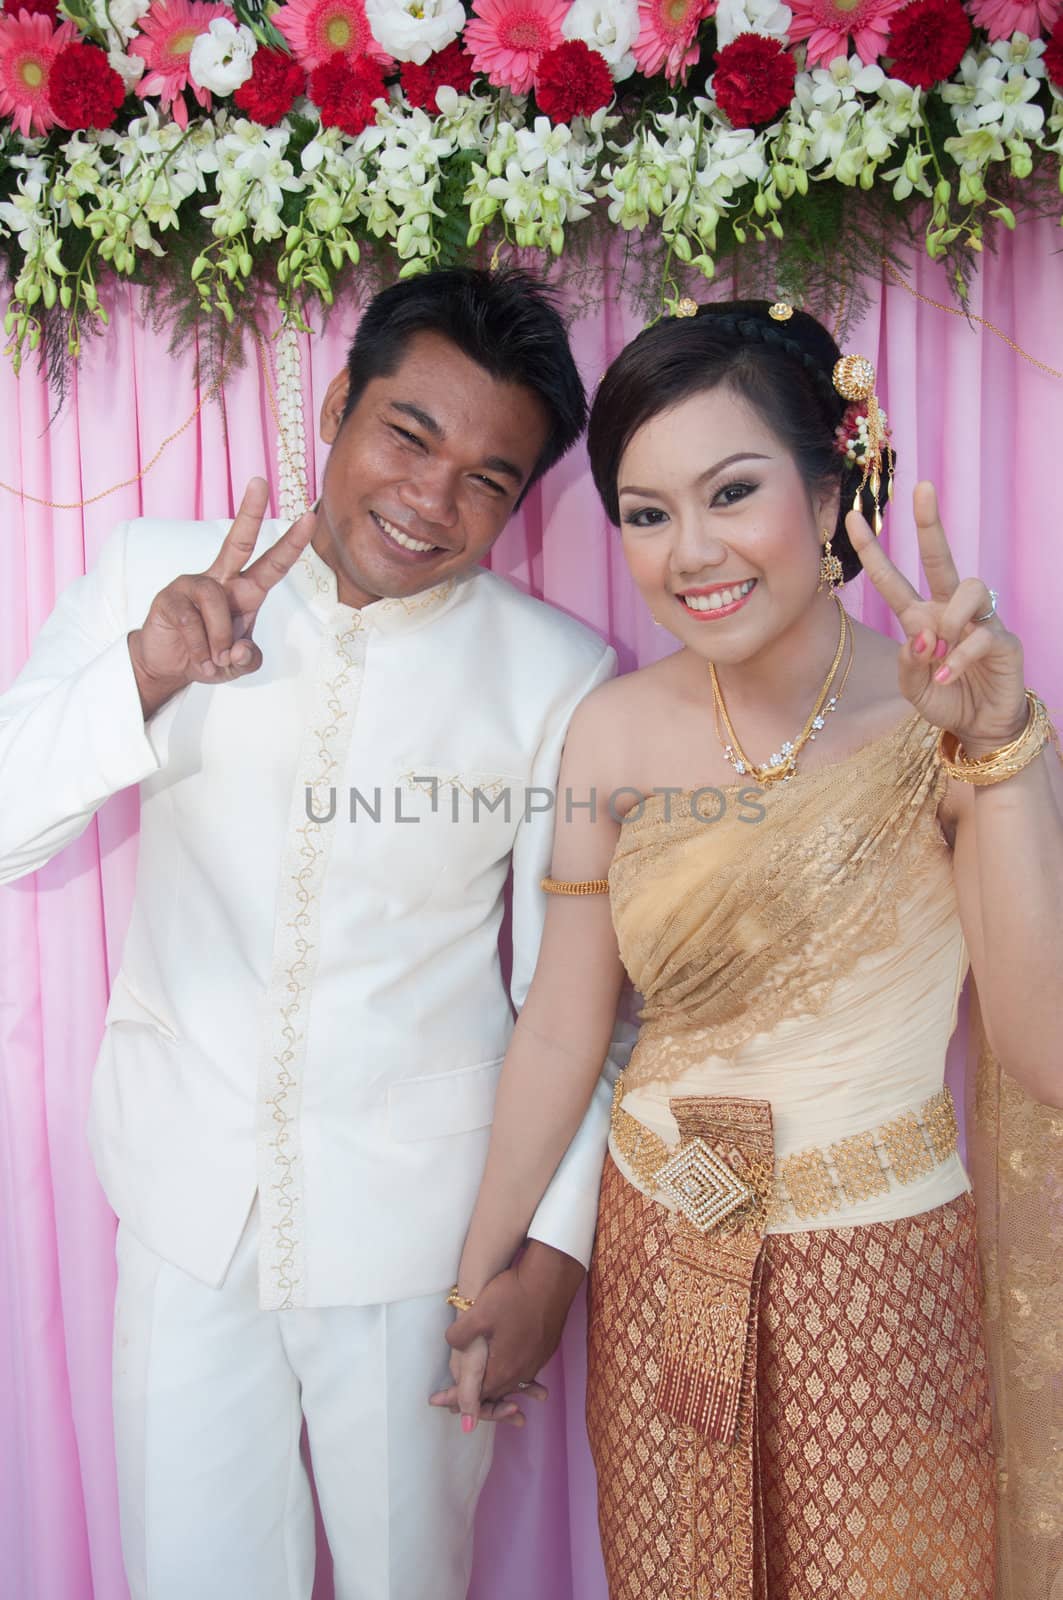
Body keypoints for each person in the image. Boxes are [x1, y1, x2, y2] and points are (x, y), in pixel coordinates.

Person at [0, 268, 628, 1600]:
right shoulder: (152, 576)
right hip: (183, 1207)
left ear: (521, 507)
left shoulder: (559, 677)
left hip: (422, 1241)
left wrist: (553, 1254)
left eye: (487, 479)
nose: (430, 499)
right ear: (339, 403)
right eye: (408, 435)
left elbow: (581, 998)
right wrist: (148, 671)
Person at [436, 300, 1063, 1596]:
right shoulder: (613, 734)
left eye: (732, 492)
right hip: (668, 1247)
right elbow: (561, 1022)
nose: (691, 554)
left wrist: (999, 759)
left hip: (883, 1271)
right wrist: (475, 1278)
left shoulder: (948, 712)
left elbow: (1044, 1049)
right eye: (648, 512)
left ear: (837, 484)